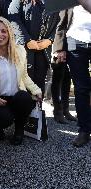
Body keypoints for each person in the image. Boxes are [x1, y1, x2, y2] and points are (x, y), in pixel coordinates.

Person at [0, 17, 42, 145]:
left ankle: (19, 130)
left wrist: (36, 90)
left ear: (9, 33)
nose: (0, 35)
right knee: (4, 118)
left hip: (16, 97)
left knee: (24, 98)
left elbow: (24, 76)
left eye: (4, 31)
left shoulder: (20, 51)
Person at [54, 7, 91, 147]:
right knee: (81, 88)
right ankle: (84, 130)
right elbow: (62, 21)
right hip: (75, 42)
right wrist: (60, 48)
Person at [8, 0, 59, 95]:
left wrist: (50, 40)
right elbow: (14, 20)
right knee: (25, 81)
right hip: (24, 49)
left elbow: (60, 22)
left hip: (43, 49)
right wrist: (27, 40)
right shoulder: (18, 2)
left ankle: (38, 107)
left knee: (40, 82)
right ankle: (25, 108)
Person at [50, 11, 78, 124]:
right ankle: (58, 111)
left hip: (75, 42)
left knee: (67, 78)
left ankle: (66, 110)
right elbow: (60, 24)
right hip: (61, 43)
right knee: (58, 77)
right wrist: (59, 49)